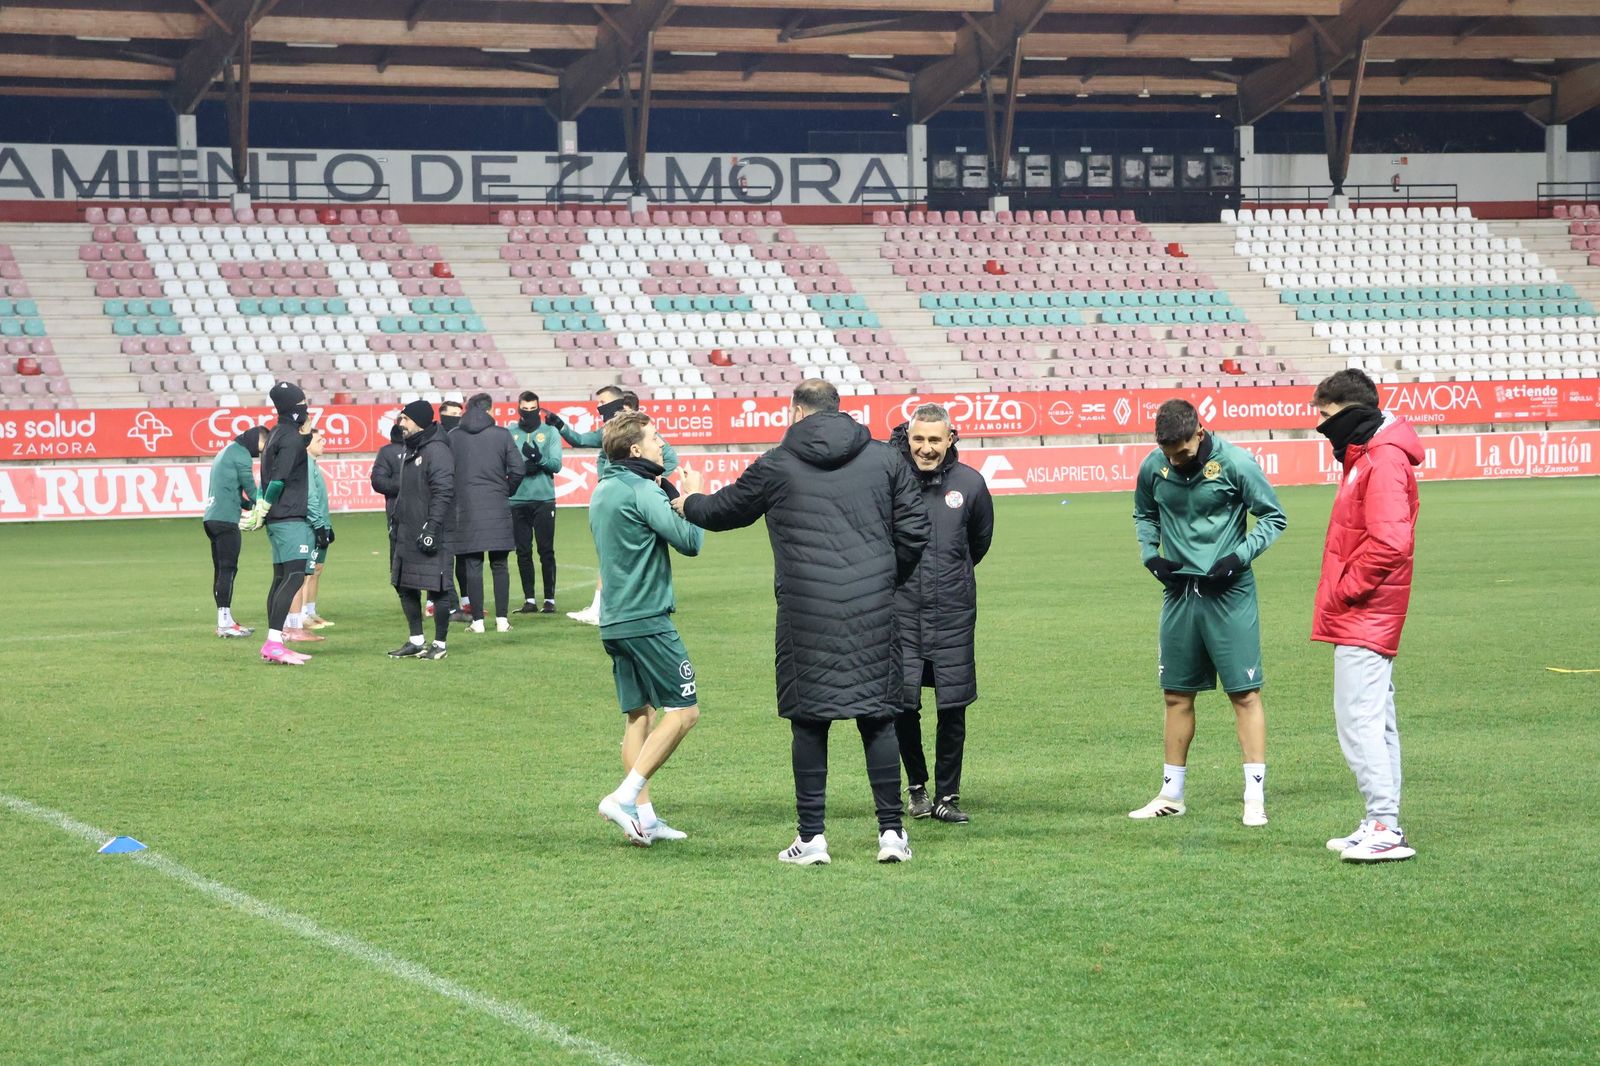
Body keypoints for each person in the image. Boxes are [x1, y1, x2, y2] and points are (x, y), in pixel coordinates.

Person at [677, 379, 930, 866]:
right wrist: (883, 577)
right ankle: (892, 833)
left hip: (805, 611)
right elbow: (915, 529)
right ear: (840, 411)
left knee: (810, 723)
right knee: (878, 718)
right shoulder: (885, 458)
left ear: (795, 412)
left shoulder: (778, 463)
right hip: (872, 608)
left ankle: (812, 839)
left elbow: (722, 511)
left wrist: (689, 499)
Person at [1130, 398, 1286, 826]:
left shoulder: (1235, 463)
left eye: (1181, 451)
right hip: (1180, 594)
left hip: (1230, 593)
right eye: (1167, 453)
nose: (1175, 460)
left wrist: (1238, 557)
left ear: (1199, 432)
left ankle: (1254, 798)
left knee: (1244, 693)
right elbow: (1144, 514)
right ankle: (1171, 794)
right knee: (1176, 694)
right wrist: (1151, 555)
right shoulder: (1152, 467)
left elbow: (1274, 518)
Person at [1311, 369, 1423, 863]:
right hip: (1368, 612)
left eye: (1325, 415)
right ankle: (1382, 820)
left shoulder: (1382, 460)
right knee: (1376, 722)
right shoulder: (1371, 455)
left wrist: (1348, 588)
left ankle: (1384, 824)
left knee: (1358, 720)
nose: (1320, 426)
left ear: (1351, 412)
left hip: (1367, 612)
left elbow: (1392, 542)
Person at [591, 410, 705, 847]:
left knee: (639, 715)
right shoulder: (641, 490)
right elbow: (691, 542)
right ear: (635, 448)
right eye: (656, 438)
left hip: (615, 620)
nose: (662, 445)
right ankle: (624, 798)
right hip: (647, 619)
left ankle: (645, 818)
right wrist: (692, 495)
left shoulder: (604, 489)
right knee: (685, 711)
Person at [889, 404, 994, 825]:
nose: (927, 448)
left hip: (952, 612)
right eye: (919, 438)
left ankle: (947, 795)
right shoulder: (890, 480)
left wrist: (950, 576)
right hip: (900, 611)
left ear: (951, 438)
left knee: (953, 705)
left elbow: (978, 544)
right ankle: (916, 788)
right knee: (902, 705)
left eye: (935, 439)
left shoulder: (970, 484)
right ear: (908, 437)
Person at [547, 386, 677, 625]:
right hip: (611, 496)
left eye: (604, 402)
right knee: (614, 554)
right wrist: (561, 425)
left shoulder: (639, 431)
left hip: (624, 499)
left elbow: (671, 457)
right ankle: (608, 607)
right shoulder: (610, 430)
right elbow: (581, 440)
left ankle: (603, 610)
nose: (600, 408)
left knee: (615, 553)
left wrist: (652, 477)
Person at [241, 381, 317, 666]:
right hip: (289, 517)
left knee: (280, 578)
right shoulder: (290, 438)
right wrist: (265, 505)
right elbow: (280, 478)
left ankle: (275, 640)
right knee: (295, 576)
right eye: (303, 402)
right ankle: (274, 641)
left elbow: (267, 476)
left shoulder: (275, 434)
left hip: (278, 518)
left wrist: (262, 508)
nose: (306, 408)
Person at [449, 392, 523, 634]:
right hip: (496, 506)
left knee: (472, 565)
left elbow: (445, 472)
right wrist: (505, 490)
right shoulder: (502, 435)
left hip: (465, 509)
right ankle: (502, 620)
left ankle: (478, 622)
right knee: (500, 565)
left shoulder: (453, 437)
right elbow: (518, 469)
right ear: (490, 410)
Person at [387, 400, 454, 661]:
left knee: (437, 588)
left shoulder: (437, 450)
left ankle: (440, 644)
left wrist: (432, 526)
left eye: (404, 419)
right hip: (406, 531)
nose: (400, 424)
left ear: (419, 421)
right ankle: (416, 640)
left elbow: (444, 491)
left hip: (429, 531)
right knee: (404, 585)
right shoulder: (411, 449)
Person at [203, 424, 265, 638]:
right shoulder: (241, 455)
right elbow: (250, 488)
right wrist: (265, 506)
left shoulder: (225, 452)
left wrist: (249, 506)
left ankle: (226, 620)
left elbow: (234, 492)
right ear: (256, 438)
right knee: (228, 570)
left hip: (212, 517)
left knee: (221, 570)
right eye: (263, 444)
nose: (263, 449)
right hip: (225, 519)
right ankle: (224, 624)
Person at [508, 391, 564, 614]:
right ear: (518, 409)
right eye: (525, 409)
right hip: (517, 500)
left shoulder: (550, 432)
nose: (528, 413)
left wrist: (538, 460)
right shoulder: (509, 433)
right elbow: (504, 464)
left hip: (544, 499)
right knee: (522, 551)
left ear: (539, 409)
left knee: (546, 550)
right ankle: (529, 600)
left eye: (533, 409)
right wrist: (522, 468)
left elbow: (556, 464)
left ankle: (549, 599)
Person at [299, 427, 335, 632]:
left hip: (321, 524)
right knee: (308, 572)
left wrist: (328, 526)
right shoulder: (305, 465)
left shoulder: (314, 465)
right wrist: (320, 526)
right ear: (308, 444)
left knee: (317, 570)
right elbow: (310, 499)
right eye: (320, 440)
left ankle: (311, 611)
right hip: (312, 526)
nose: (324, 443)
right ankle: (303, 614)